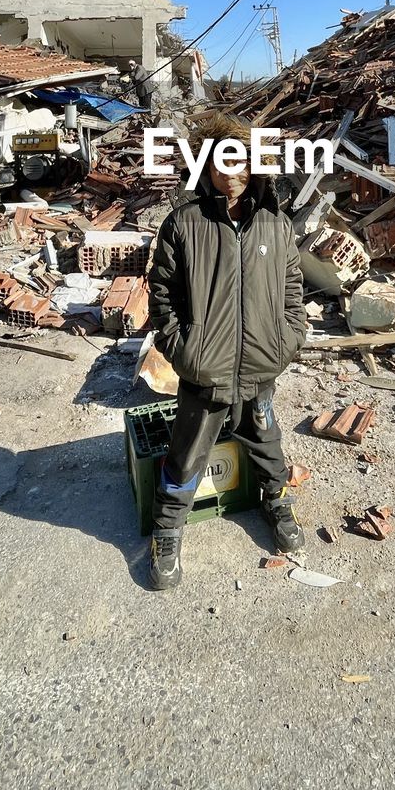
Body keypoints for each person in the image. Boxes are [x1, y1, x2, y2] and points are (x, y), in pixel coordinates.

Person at [145, 112, 307, 590]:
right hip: (204, 370)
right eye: (220, 164)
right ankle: (168, 529)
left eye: (240, 164)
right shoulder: (185, 224)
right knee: (188, 452)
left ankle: (275, 500)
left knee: (265, 438)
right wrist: (183, 349)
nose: (231, 175)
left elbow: (293, 287)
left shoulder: (276, 225)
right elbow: (162, 294)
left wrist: (287, 338)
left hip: (260, 365)